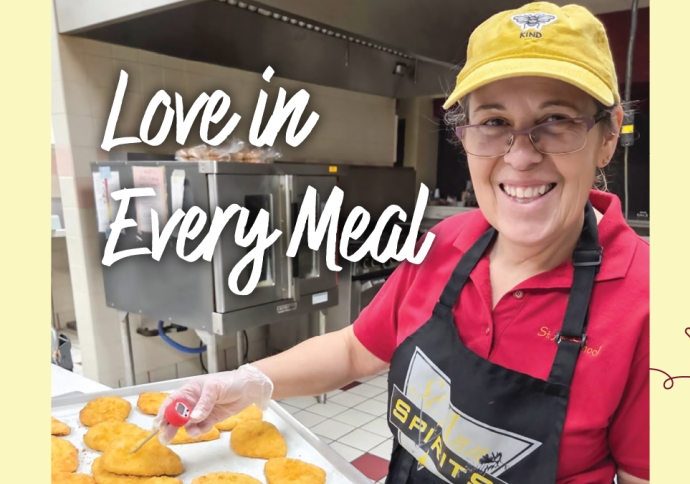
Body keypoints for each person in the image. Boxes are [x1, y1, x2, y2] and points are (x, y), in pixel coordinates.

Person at [155, 3, 649, 483]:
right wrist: (247, 381)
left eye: (557, 120)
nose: (520, 156)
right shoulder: (444, 244)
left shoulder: (649, 306)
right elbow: (356, 349)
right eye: (494, 122)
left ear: (608, 136)